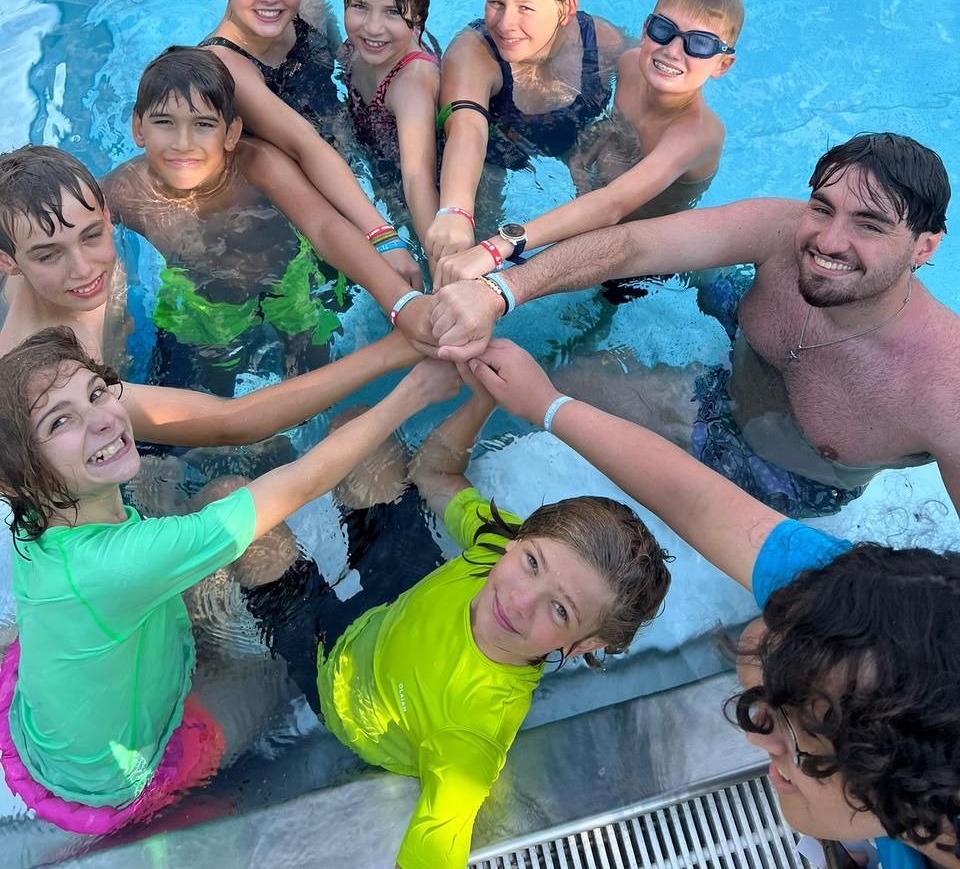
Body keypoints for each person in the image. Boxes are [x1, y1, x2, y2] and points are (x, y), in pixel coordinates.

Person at [467, 337, 960, 869]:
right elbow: (702, 503)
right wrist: (547, 404)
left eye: (792, 741)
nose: (755, 739)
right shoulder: (870, 611)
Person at [0, 326, 458, 833]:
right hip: (120, 778)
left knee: (183, 489)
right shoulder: (120, 564)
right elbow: (303, 482)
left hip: (50, 727)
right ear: (22, 474)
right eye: (60, 421)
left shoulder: (38, 518)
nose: (102, 420)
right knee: (276, 672)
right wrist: (414, 393)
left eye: (96, 393)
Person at [249, 384, 671, 869]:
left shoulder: (471, 734)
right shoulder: (501, 544)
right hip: (404, 594)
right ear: (520, 540)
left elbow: (432, 855)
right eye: (532, 563)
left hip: (342, 681)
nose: (518, 600)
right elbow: (436, 470)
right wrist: (487, 395)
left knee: (233, 505)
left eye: (560, 611)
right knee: (358, 423)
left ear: (584, 645)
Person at [430, 133, 960, 517]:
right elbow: (634, 246)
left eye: (868, 225)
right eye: (822, 209)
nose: (828, 241)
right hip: (755, 329)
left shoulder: (942, 387)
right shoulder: (784, 231)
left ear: (926, 247)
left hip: (774, 470)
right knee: (675, 247)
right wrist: (501, 289)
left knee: (554, 381)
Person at [0, 144, 428, 446]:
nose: (83, 268)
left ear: (107, 213)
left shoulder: (48, 234)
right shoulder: (46, 375)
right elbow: (230, 424)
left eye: (92, 235)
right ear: (9, 263)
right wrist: (392, 352)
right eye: (48, 255)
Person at [102, 48, 437, 391]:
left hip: (287, 280)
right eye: (164, 123)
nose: (183, 144)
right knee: (212, 387)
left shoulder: (257, 166)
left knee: (312, 376)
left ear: (231, 133)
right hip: (202, 297)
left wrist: (398, 300)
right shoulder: (122, 193)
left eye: (203, 125)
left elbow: (324, 225)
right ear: (138, 127)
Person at [434, 0, 741, 287]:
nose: (673, 50)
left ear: (722, 65)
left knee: (596, 314)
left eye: (700, 44)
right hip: (601, 203)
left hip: (648, 251)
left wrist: (501, 245)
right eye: (663, 29)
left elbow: (614, 203)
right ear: (646, 28)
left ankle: (718, 285)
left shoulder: (696, 134)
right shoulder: (630, 66)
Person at [200, 0, 421, 290]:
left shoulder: (312, 11)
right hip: (298, 211)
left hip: (351, 163)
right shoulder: (223, 65)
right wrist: (382, 236)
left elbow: (353, 66)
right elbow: (305, 145)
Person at [424, 0, 626, 265]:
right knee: (465, 248)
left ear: (566, 9)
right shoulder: (474, 52)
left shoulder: (602, 44)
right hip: (494, 154)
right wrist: (456, 210)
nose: (505, 24)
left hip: (570, 142)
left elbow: (645, 98)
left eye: (525, 8)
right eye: (496, 3)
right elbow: (468, 128)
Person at [337, 0, 441, 252]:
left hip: (423, 191)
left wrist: (442, 270)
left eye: (393, 12)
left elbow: (416, 181)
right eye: (359, 7)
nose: (372, 27)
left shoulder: (411, 84)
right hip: (380, 167)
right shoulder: (354, 48)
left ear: (418, 15)